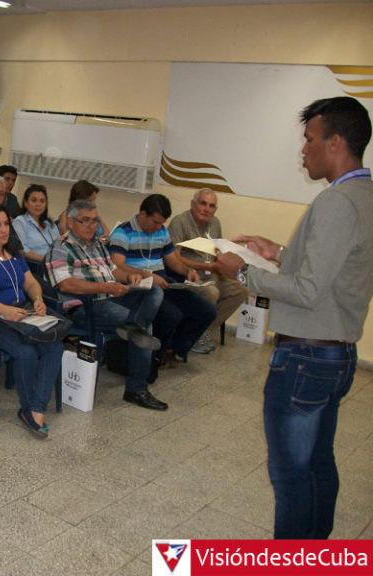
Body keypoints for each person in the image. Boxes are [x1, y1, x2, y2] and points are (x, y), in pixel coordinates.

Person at [216, 96, 373, 539]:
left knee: (290, 479)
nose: (303, 149)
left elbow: (307, 290)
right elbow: (334, 270)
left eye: (309, 139)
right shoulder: (365, 196)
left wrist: (243, 271)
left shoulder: (337, 201)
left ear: (335, 142)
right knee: (318, 465)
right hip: (336, 355)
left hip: (306, 358)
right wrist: (279, 252)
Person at [47, 200, 168, 410]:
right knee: (145, 326)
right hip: (83, 307)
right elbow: (65, 284)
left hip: (109, 297)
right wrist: (105, 287)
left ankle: (133, 328)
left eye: (94, 220)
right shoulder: (60, 247)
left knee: (154, 291)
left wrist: (130, 277)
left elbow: (114, 271)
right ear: (71, 222)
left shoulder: (97, 245)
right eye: (85, 220)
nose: (91, 225)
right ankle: (136, 389)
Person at [0, 203, 63, 436]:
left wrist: (37, 299)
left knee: (55, 346)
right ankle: (30, 410)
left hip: (19, 316)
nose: (4, 230)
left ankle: (36, 407)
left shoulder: (14, 253)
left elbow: (31, 283)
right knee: (26, 353)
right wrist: (2, 309)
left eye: (6, 224)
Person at [109, 194, 216, 367]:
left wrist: (187, 271)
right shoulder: (123, 233)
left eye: (162, 223)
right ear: (143, 214)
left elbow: (172, 260)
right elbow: (117, 265)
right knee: (171, 315)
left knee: (206, 311)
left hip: (164, 283)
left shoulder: (161, 231)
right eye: (156, 222)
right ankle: (151, 356)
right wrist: (147, 275)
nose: (159, 227)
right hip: (140, 287)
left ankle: (171, 350)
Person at [167, 188, 248, 353]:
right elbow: (173, 258)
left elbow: (217, 252)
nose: (206, 209)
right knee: (212, 292)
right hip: (189, 277)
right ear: (193, 204)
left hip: (213, 274)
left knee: (240, 291)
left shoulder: (215, 223)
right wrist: (209, 267)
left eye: (211, 206)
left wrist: (228, 264)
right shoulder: (179, 222)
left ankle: (200, 332)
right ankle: (193, 335)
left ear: (215, 209)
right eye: (202, 204)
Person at [12, 183, 60, 261]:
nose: (38, 204)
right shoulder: (20, 222)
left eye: (42, 201)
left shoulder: (50, 224)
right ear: (25, 203)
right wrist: (45, 261)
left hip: (54, 264)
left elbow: (60, 246)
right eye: (34, 200)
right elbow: (22, 250)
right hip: (34, 264)